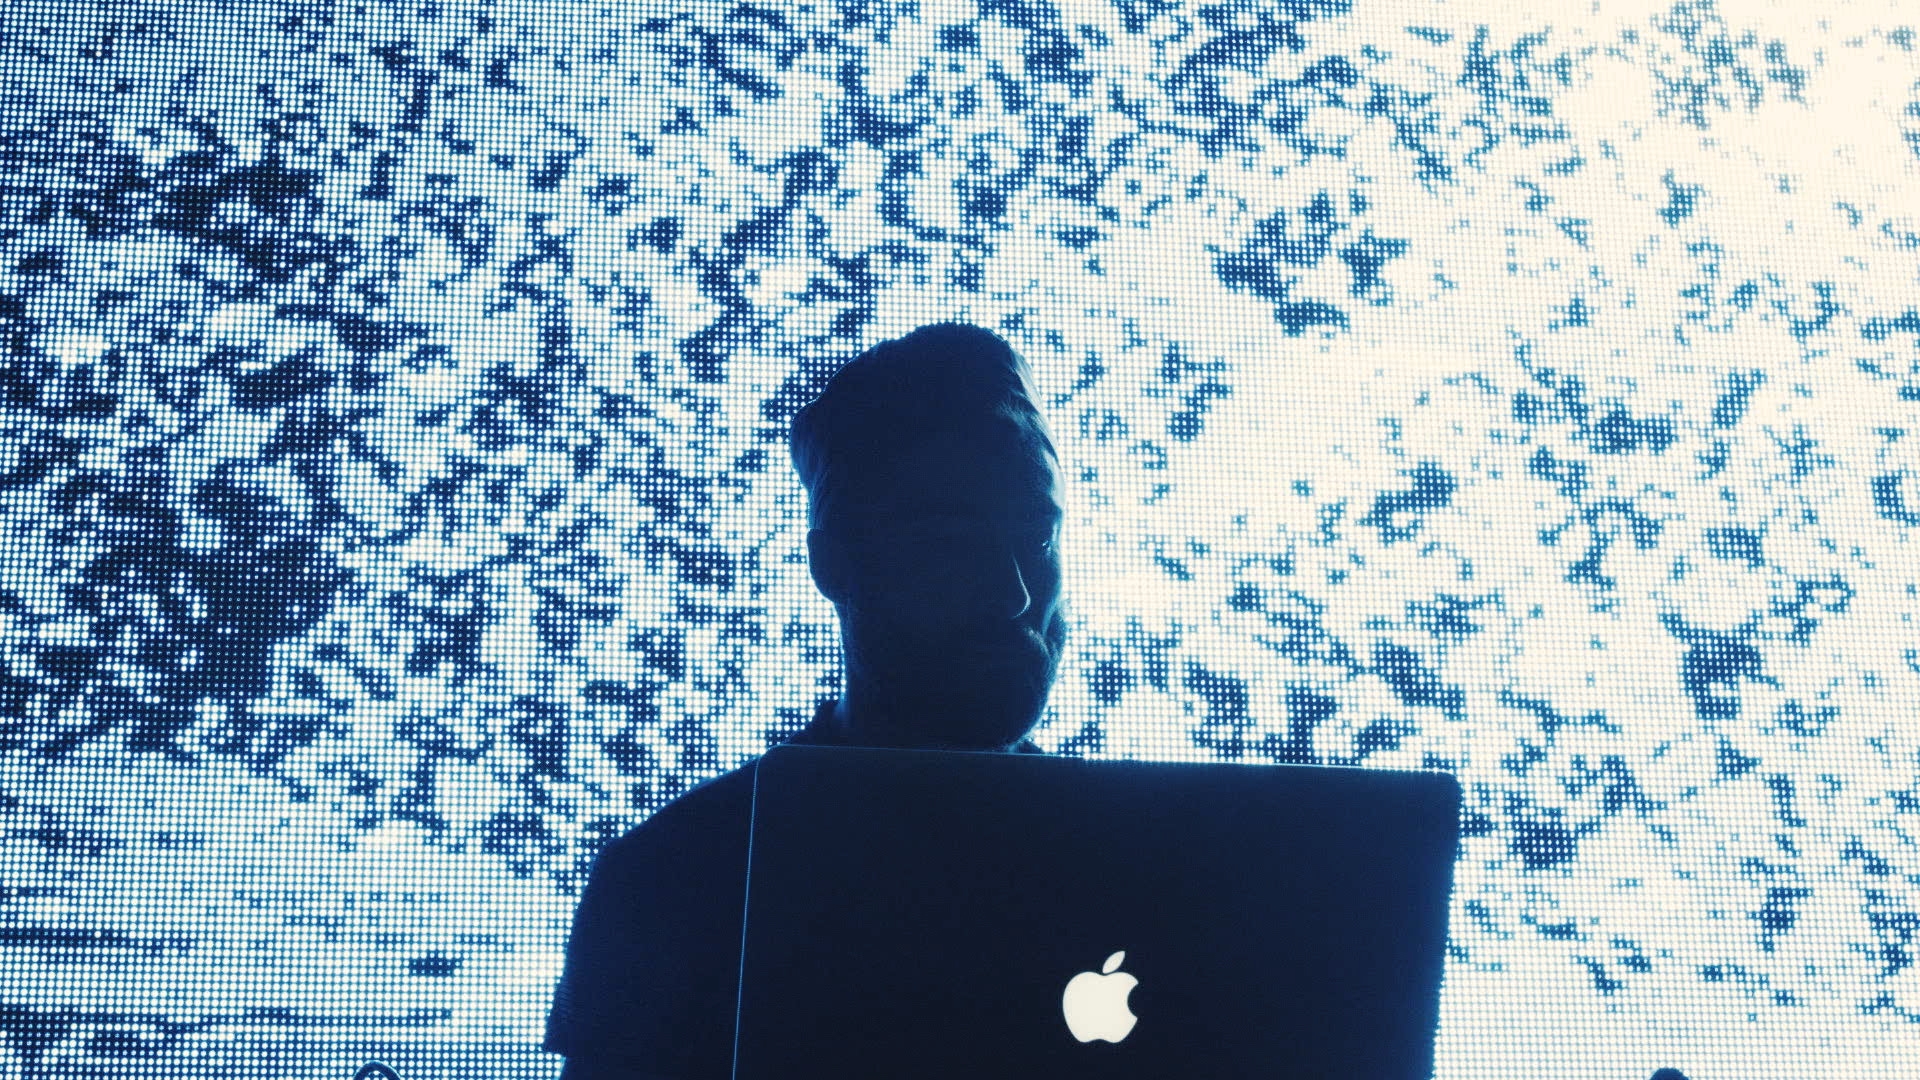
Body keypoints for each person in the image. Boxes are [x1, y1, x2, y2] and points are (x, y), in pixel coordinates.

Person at [542, 323, 1069, 1079]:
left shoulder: (679, 872)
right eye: (950, 543)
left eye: (1039, 534)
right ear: (837, 565)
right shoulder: (672, 883)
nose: (1015, 594)